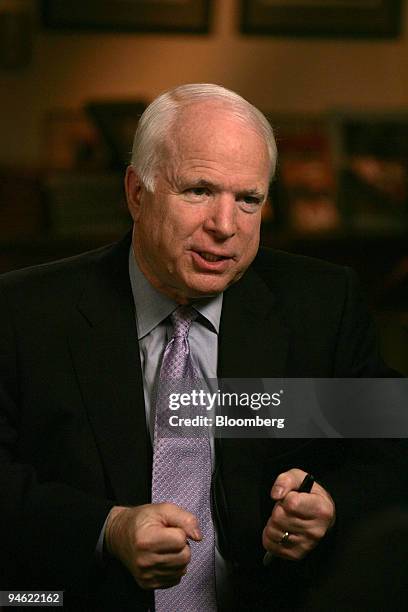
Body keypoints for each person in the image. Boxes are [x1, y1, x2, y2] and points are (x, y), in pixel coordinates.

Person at [0, 84, 405, 612]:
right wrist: (107, 527)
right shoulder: (25, 313)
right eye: (198, 190)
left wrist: (332, 503)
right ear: (136, 193)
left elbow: (389, 443)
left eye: (248, 200)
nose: (225, 226)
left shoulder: (320, 305)